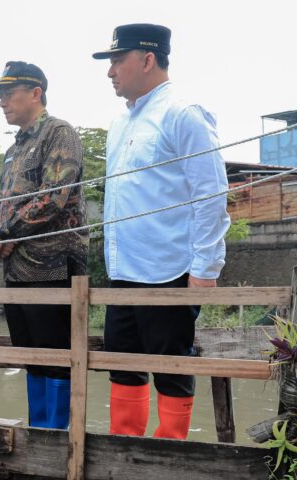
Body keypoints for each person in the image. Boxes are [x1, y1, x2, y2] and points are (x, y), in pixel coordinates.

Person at [93, 24, 231, 439]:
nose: (110, 71)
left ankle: (171, 453)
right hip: (124, 269)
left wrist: (206, 267)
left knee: (171, 365)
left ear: (147, 60)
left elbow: (210, 192)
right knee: (122, 363)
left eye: (118, 60)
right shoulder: (120, 123)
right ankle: (126, 451)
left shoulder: (183, 113)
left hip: (168, 267)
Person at [0, 62, 87, 429]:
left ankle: (58, 439)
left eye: (8, 94)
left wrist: (6, 233)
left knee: (57, 356)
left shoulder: (60, 134)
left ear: (36, 93)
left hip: (53, 267)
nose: (1, 102)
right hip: (16, 271)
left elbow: (53, 198)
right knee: (31, 355)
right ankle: (39, 432)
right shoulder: (13, 149)